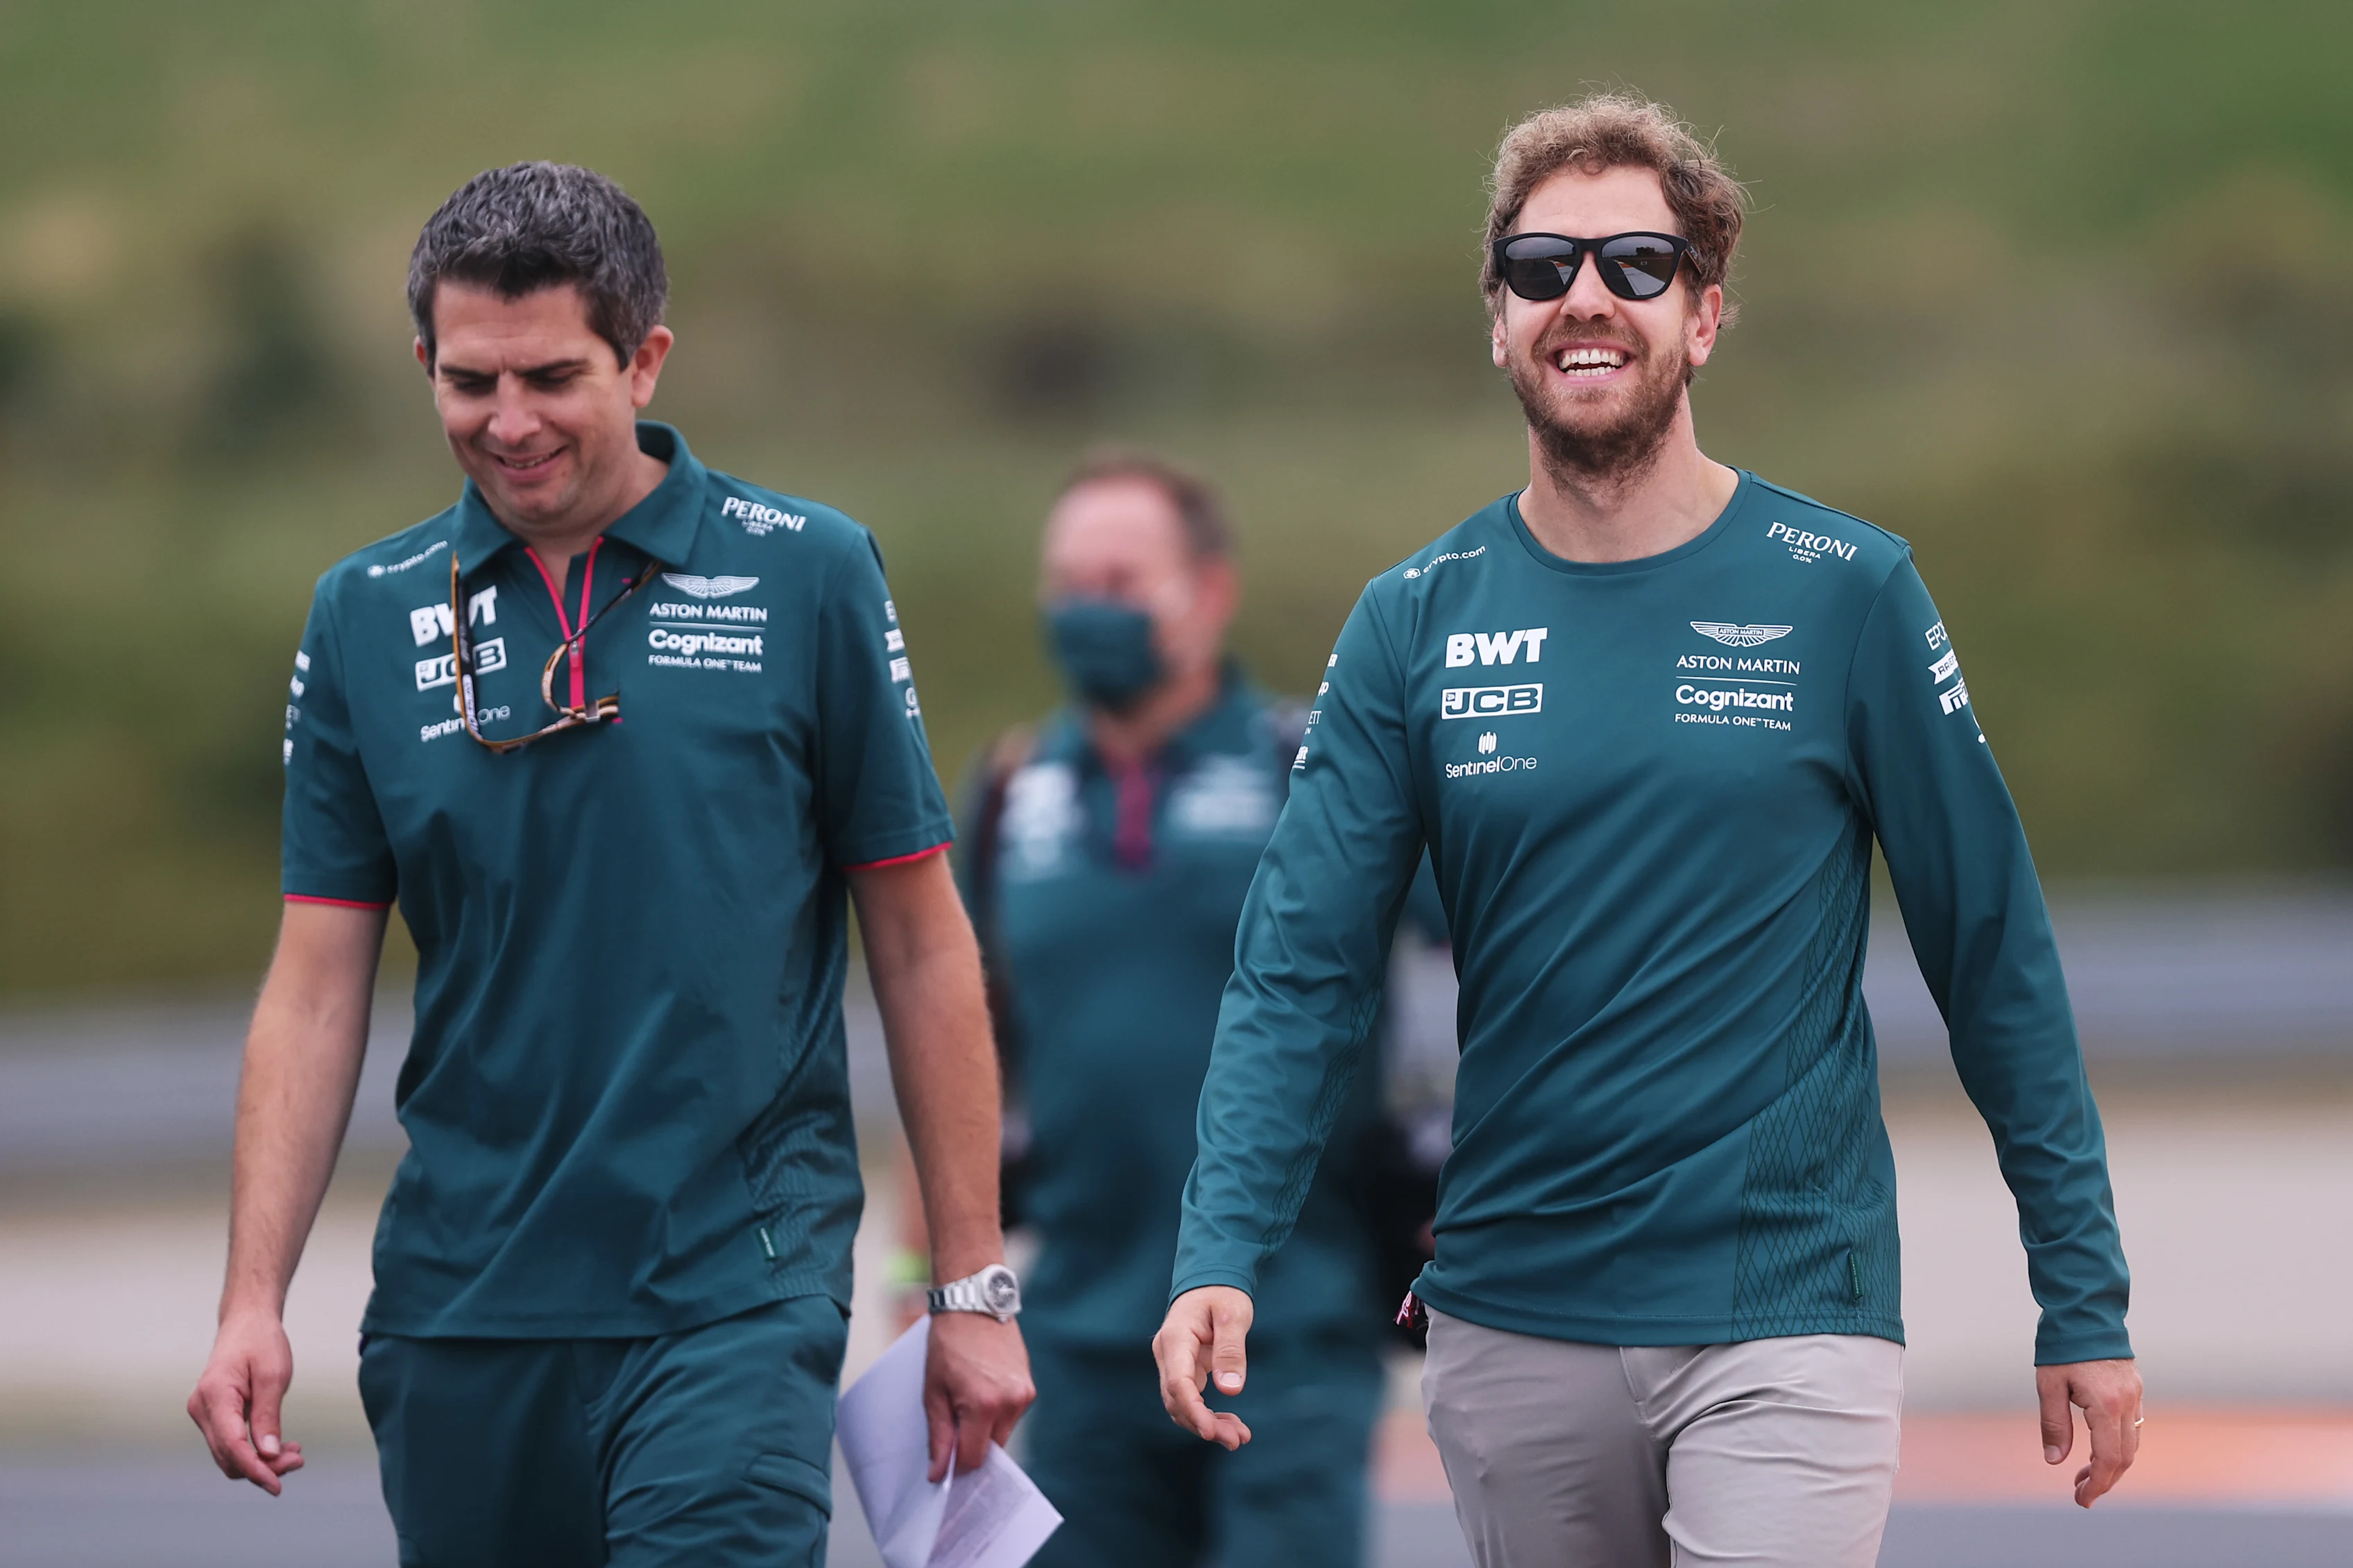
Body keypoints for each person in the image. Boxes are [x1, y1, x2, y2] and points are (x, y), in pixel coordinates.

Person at [1152, 93, 2143, 1568]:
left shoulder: (1847, 592)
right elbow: (1300, 965)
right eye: (1541, 266)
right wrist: (1221, 1241)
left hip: (1783, 1311)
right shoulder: (1411, 618)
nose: (1587, 297)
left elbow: (1988, 949)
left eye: (1636, 261)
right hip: (1511, 1315)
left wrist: (2082, 1288)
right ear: (1497, 321)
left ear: (1706, 315)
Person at [186, 162, 1032, 1566]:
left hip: (731, 1295)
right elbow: (317, 985)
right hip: (461, 1302)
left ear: (644, 358)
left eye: (550, 377)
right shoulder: (363, 612)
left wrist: (969, 1281)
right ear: (424, 367)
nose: (506, 423)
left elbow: (923, 942)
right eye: (468, 382)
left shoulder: (808, 574)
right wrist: (250, 1295)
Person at [945, 451, 1420, 1568]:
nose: (1087, 611)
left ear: (1208, 592)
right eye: (1069, 584)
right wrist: (930, 1283)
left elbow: (1483, 956)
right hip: (1080, 1334)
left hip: (1290, 1325)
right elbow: (961, 1052)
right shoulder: (1015, 791)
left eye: (1120, 581)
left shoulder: (1309, 768)